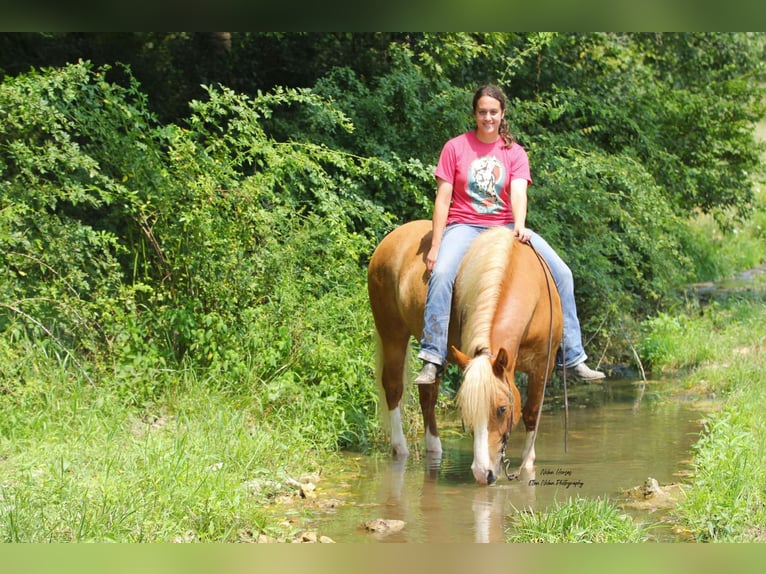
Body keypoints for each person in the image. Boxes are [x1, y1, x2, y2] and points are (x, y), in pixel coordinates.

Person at [414, 84, 605, 385]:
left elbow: (518, 191)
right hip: (465, 225)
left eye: (493, 112)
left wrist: (519, 223)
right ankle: (433, 357)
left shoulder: (514, 153)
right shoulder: (455, 148)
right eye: (482, 112)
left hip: (504, 226)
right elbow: (442, 198)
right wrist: (436, 245)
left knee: (563, 274)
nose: (487, 117)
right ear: (474, 114)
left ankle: (572, 357)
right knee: (441, 274)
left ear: (502, 114)